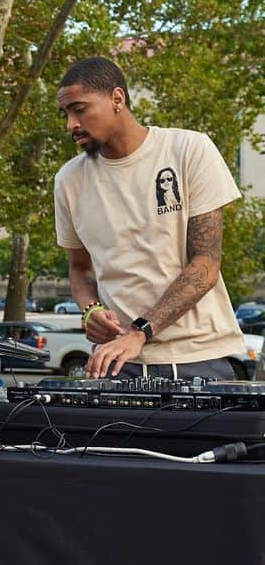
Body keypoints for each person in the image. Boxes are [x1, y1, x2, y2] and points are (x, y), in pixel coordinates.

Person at [54, 57, 244, 380]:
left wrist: (140, 331)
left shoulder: (189, 150)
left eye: (79, 109)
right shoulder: (68, 181)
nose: (71, 124)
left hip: (199, 358)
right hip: (117, 363)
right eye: (66, 114)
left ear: (117, 99)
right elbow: (80, 269)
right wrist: (90, 310)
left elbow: (206, 265)